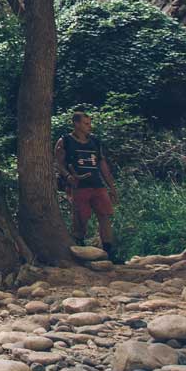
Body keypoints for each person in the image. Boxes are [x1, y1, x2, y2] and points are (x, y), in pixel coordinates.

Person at [57, 111, 118, 260]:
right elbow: (58, 163)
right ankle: (80, 250)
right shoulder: (65, 141)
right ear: (76, 124)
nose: (89, 126)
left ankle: (109, 252)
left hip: (97, 184)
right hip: (78, 186)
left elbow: (102, 164)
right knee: (80, 218)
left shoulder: (95, 141)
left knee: (104, 216)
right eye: (86, 123)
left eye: (89, 123)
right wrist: (68, 176)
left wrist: (112, 186)